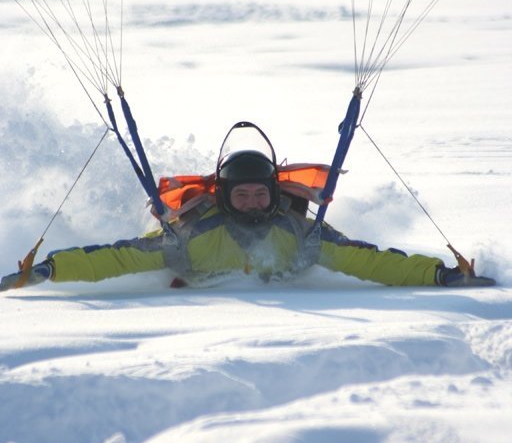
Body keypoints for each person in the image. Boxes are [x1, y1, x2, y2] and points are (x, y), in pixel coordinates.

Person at [0, 124, 496, 293]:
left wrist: (440, 277)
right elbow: (118, 256)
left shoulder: (299, 232)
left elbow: (369, 260)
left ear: (275, 194)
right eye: (244, 195)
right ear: (224, 197)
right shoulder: (191, 234)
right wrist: (48, 269)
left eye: (261, 193)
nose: (255, 202)